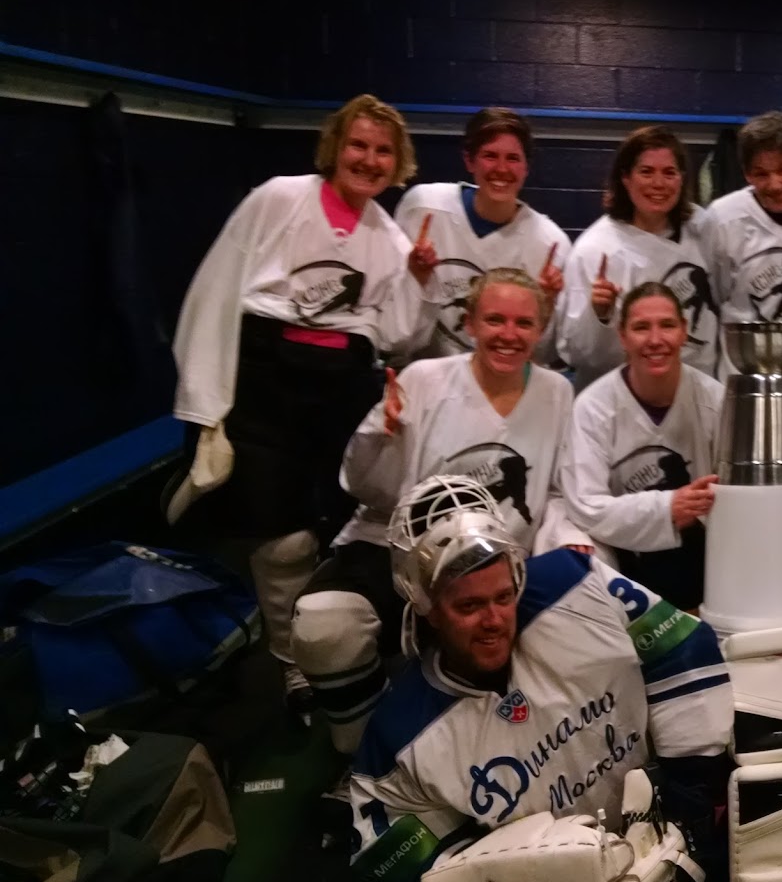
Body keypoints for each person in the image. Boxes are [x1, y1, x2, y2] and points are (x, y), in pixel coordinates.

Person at [348, 475, 732, 882]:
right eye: (469, 606)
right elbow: (393, 872)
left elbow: (684, 649)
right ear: (426, 607)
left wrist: (689, 801)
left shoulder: (578, 584)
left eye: (503, 596)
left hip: (675, 849)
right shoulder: (398, 737)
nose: (494, 620)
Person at [166, 94, 434, 711]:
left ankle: (333, 648)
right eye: (359, 144)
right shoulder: (278, 198)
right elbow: (216, 289)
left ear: (397, 163)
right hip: (266, 383)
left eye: (383, 150)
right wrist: (205, 401)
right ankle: (293, 664)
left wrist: (419, 281)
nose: (368, 159)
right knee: (281, 540)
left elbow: (396, 337)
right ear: (336, 146)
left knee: (336, 528)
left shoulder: (390, 239)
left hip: (341, 389)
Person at [290, 269, 593, 755]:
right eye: (494, 319)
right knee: (324, 626)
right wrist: (379, 436)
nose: (509, 334)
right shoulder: (423, 380)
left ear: (541, 329)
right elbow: (364, 488)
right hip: (399, 547)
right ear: (469, 323)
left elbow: (557, 491)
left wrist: (567, 540)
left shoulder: (557, 392)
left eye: (523, 323)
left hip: (495, 566)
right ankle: (363, 754)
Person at [559, 283, 723, 613]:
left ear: (684, 331)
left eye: (667, 325)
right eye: (641, 327)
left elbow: (736, 495)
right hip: (625, 560)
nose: (655, 340)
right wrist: (668, 507)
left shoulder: (714, 399)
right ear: (622, 336)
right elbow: (585, 506)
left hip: (707, 559)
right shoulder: (592, 408)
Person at [393, 107, 570, 362]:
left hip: (501, 378)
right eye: (490, 155)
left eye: (513, 158)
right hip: (428, 373)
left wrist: (547, 306)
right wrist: (415, 278)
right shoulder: (422, 207)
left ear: (526, 167)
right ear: (469, 160)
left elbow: (541, 356)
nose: (501, 168)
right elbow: (396, 332)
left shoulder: (550, 244)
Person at [557, 125, 719, 389]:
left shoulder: (703, 228)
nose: (658, 183)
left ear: (682, 178)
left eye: (669, 172)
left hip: (699, 392)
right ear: (625, 178)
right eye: (646, 172)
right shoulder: (595, 250)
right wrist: (600, 316)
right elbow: (576, 353)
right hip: (625, 399)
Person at [701, 111, 782, 374]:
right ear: (746, 174)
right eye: (761, 174)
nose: (775, 185)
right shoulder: (722, 217)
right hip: (744, 376)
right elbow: (715, 299)